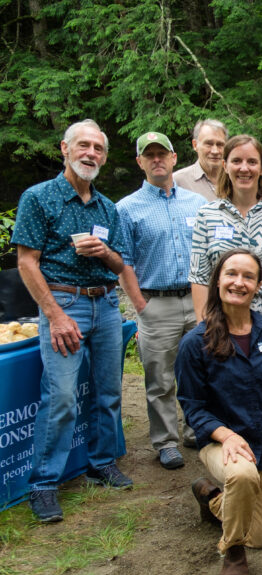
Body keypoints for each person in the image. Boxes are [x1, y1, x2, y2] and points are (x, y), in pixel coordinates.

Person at [12, 119, 133, 523]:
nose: (91, 154)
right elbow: (27, 262)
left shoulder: (106, 207)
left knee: (109, 391)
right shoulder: (39, 197)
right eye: (83, 146)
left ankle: (101, 462)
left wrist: (104, 252)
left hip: (107, 305)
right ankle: (44, 484)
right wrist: (55, 314)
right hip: (65, 304)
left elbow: (120, 264)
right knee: (61, 396)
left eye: (98, 149)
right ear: (64, 149)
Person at [176, 248, 262, 575]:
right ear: (218, 280)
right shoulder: (195, 343)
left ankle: (212, 497)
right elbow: (192, 406)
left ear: (258, 285)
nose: (239, 282)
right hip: (222, 444)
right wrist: (227, 436)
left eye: (248, 276)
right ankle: (232, 553)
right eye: (231, 274)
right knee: (242, 474)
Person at [117, 132, 207, 470]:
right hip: (156, 303)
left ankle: (195, 427)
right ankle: (166, 441)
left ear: (173, 158)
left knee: (199, 370)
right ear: (140, 162)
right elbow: (123, 260)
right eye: (149, 155)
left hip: (195, 298)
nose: (157, 160)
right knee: (160, 378)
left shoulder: (196, 204)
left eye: (162, 153)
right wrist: (140, 305)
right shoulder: (126, 209)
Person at [190, 134, 262, 323]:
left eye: (251, 162)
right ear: (225, 166)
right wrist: (204, 325)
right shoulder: (207, 214)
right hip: (223, 315)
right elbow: (199, 276)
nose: (244, 168)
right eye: (236, 161)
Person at [173, 119, 228, 201]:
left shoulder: (235, 178)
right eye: (209, 144)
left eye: (220, 145)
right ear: (195, 145)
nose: (215, 151)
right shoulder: (178, 181)